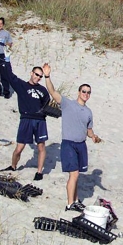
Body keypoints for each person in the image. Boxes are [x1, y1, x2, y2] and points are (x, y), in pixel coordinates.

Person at [42, 62, 101, 212]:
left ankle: (75, 200)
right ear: (78, 91)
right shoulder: (68, 104)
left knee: (77, 175)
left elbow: (89, 130)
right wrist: (47, 76)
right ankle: (70, 204)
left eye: (88, 92)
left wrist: (94, 137)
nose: (86, 94)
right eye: (83, 91)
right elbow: (52, 92)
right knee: (73, 174)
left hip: (81, 145)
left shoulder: (88, 112)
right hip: (68, 144)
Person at [0, 47, 50, 180]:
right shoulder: (22, 85)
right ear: (31, 73)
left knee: (41, 146)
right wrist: (7, 58)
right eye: (36, 74)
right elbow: (9, 75)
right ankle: (13, 166)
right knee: (19, 148)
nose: (38, 77)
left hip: (40, 121)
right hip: (26, 119)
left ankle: (39, 172)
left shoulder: (43, 90)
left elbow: (47, 104)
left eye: (40, 76)